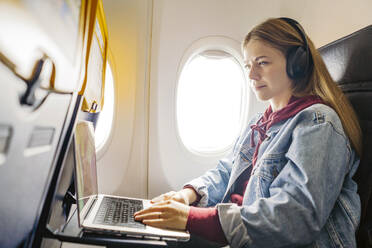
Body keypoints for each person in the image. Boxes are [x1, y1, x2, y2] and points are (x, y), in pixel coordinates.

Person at [134, 17, 362, 248]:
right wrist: (187, 195)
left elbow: (295, 217)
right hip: (246, 239)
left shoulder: (317, 124)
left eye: (262, 63)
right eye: (247, 65)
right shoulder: (261, 123)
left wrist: (188, 217)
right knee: (139, 238)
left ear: (297, 64)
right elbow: (228, 171)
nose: (251, 75)